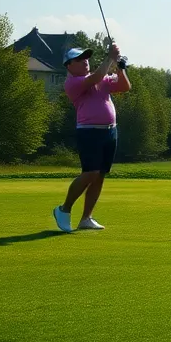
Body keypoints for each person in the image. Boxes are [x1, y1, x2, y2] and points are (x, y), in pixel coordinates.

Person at [53, 43, 131, 232]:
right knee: (90, 172)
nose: (85, 61)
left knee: (100, 175)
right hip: (89, 131)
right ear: (69, 66)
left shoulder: (100, 78)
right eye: (79, 59)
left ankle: (86, 218)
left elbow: (125, 86)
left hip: (110, 131)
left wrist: (120, 68)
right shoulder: (73, 83)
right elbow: (95, 77)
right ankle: (64, 210)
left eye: (86, 58)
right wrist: (110, 57)